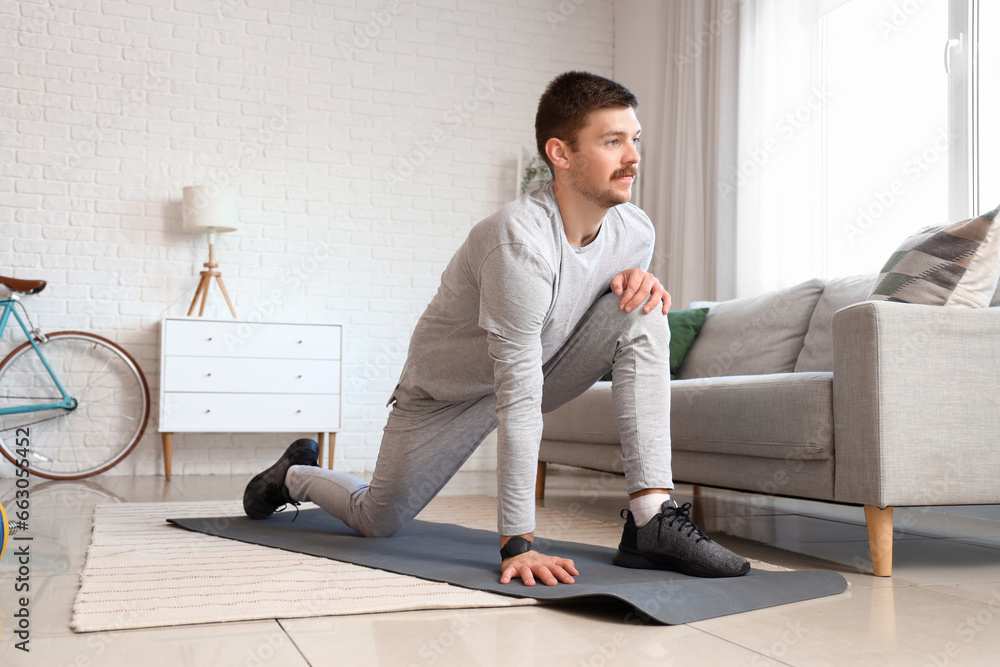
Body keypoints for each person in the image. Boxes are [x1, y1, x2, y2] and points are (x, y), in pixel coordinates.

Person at [243, 71, 749, 586]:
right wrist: (518, 544)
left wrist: (632, 283)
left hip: (546, 365)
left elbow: (582, 316)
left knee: (645, 307)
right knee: (376, 520)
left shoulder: (635, 230)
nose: (633, 157)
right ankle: (294, 474)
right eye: (612, 141)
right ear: (561, 152)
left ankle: (650, 520)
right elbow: (519, 399)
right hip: (446, 396)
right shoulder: (519, 242)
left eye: (634, 139)